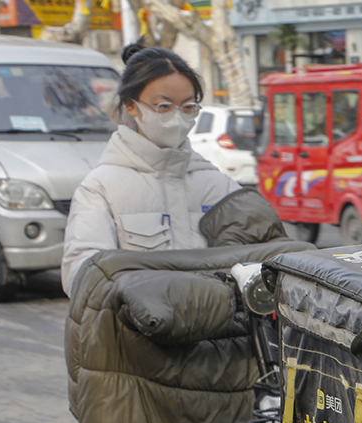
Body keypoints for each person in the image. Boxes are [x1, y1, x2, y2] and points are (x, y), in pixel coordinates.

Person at [61, 43, 241, 295]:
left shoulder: (219, 184)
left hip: (220, 332)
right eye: (164, 107)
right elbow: (81, 276)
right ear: (131, 105)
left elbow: (257, 256)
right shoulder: (101, 188)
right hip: (140, 331)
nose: (177, 118)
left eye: (188, 107)